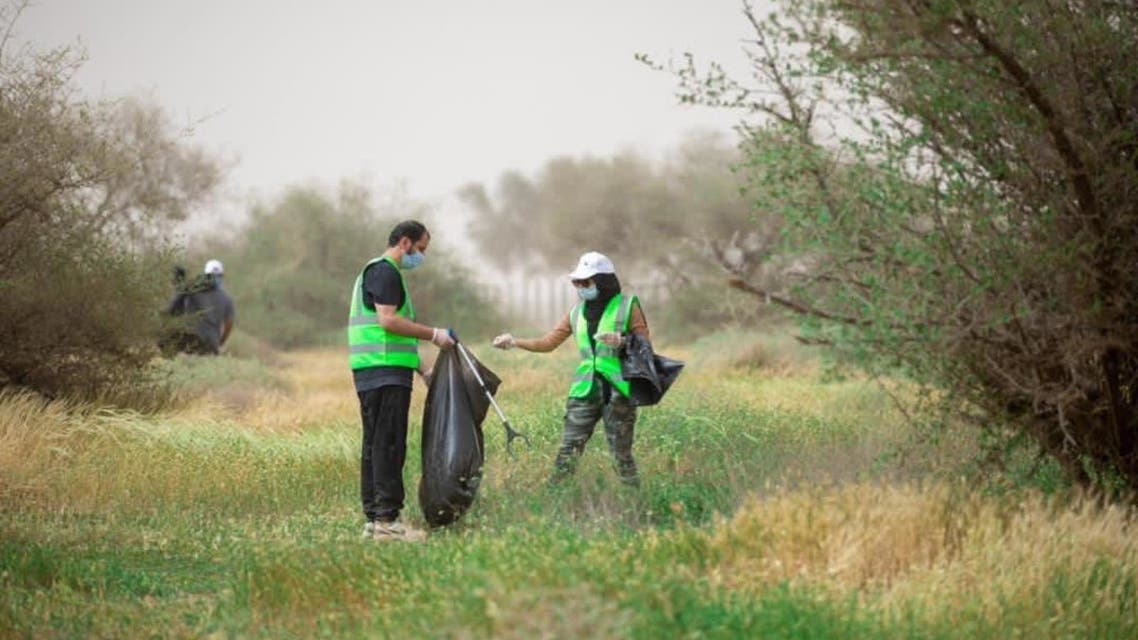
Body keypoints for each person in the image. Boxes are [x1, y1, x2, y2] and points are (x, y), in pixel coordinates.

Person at [492, 251, 649, 487]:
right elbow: (548, 343)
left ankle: (634, 499)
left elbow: (645, 345)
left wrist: (623, 341)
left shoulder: (627, 306)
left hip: (619, 390)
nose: (580, 287)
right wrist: (515, 342)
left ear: (603, 281)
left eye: (586, 282)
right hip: (584, 390)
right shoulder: (576, 313)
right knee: (567, 451)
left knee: (621, 454)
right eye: (577, 282)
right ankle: (555, 496)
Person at [349, 220, 455, 542]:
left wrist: (422, 368)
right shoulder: (386, 272)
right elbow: (389, 321)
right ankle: (388, 522)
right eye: (421, 249)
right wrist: (434, 335)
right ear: (405, 242)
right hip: (384, 372)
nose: (421, 256)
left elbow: (391, 334)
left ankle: (373, 520)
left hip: (374, 368)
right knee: (389, 444)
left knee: (374, 444)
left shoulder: (377, 271)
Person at [174, 259, 235, 355]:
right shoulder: (226, 298)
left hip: (190, 343)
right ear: (221, 276)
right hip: (212, 344)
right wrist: (221, 341)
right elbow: (229, 324)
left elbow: (176, 299)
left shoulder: (192, 290)